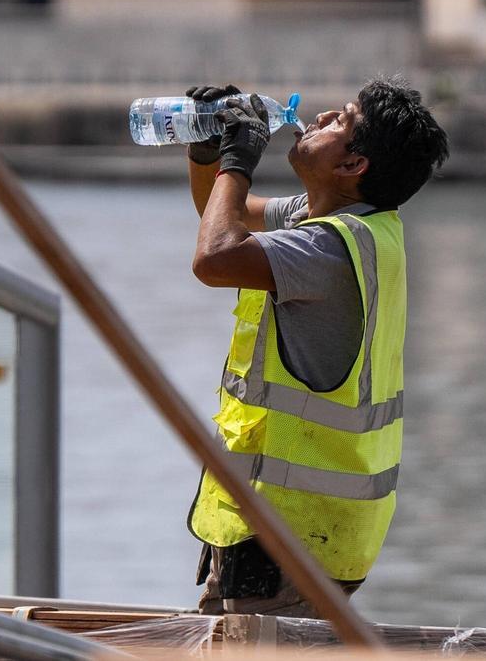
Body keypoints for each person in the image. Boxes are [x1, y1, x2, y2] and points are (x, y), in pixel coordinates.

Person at [183, 78, 449, 617]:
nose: (324, 115)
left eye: (342, 121)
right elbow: (224, 216)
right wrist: (209, 153)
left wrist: (239, 161)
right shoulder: (347, 222)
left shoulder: (326, 248)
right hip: (309, 531)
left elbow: (213, 258)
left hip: (286, 534)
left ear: (353, 166)